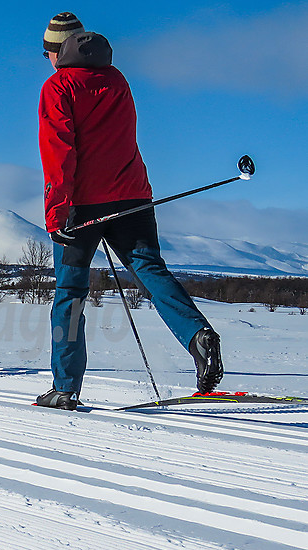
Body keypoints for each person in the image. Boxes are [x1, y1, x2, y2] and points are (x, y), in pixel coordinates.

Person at [35, 13, 222, 411]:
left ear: (59, 50)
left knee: (70, 294)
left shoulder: (58, 86)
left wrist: (57, 213)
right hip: (133, 197)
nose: (47, 59)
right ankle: (197, 335)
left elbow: (59, 153)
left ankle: (65, 387)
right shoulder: (117, 80)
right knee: (151, 271)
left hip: (81, 209)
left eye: (48, 51)